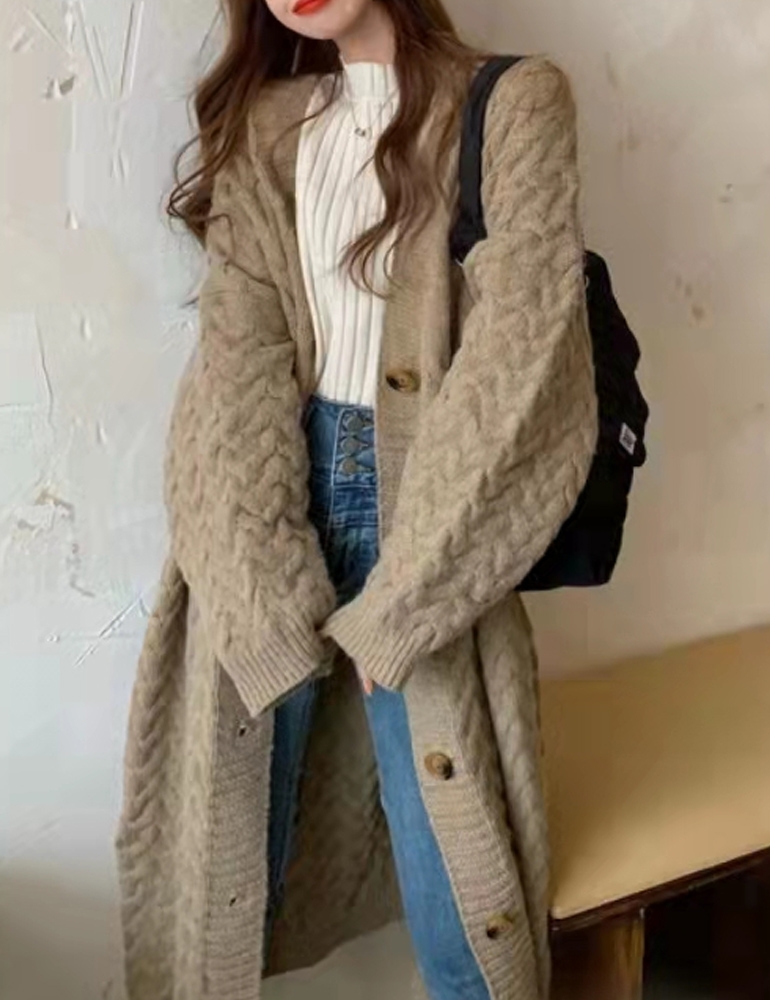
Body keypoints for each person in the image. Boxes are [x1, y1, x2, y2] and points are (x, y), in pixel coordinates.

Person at [115, 1, 597, 999]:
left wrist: (409, 598)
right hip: (272, 502)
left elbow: (524, 360)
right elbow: (236, 361)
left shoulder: (514, 103)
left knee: (464, 897)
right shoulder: (267, 126)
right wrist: (258, 577)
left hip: (435, 514)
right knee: (214, 883)